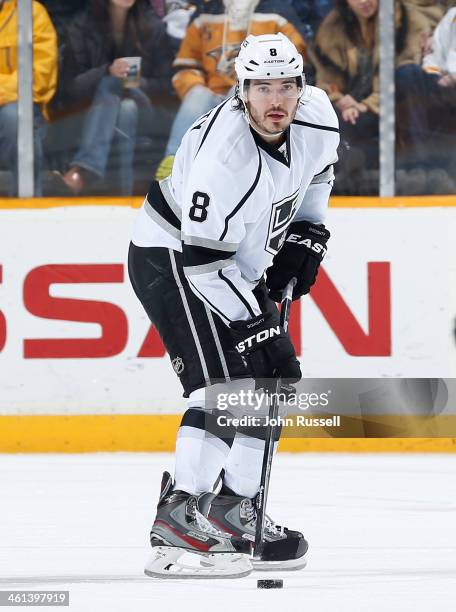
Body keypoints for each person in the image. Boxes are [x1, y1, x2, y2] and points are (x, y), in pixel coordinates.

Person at [128, 32, 339, 578]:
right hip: (173, 259)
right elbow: (201, 263)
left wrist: (308, 233)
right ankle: (180, 520)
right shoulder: (224, 158)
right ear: (241, 90)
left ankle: (235, 515)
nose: (277, 99)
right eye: (262, 87)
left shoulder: (316, 114)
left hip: (235, 262)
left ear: (302, 87)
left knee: (268, 387)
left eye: (287, 86)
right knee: (228, 387)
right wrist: (258, 329)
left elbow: (318, 171)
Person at [154, 0, 308, 180]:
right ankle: (174, 161)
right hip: (211, 96)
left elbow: (295, 66)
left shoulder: (278, 13)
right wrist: (195, 86)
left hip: (256, 94)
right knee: (197, 96)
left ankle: (240, 166)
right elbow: (186, 66)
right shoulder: (205, 15)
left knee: (238, 97)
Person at [52, 0, 174, 196]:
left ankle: (84, 169)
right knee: (124, 107)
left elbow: (168, 86)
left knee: (113, 87)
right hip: (93, 109)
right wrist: (106, 71)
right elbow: (71, 88)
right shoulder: (82, 25)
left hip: (147, 107)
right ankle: (123, 191)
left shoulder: (153, 26)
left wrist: (138, 82)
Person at [312, 0, 430, 195]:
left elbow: (403, 72)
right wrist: (339, 99)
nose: (364, 1)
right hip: (355, 108)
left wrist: (365, 105)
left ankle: (418, 167)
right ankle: (341, 181)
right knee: (332, 120)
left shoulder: (407, 22)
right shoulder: (332, 28)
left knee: (408, 76)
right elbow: (327, 79)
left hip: (394, 106)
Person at [0, 0, 57, 196]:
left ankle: (27, 205)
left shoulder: (32, 12)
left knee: (14, 117)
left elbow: (38, 79)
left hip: (23, 109)